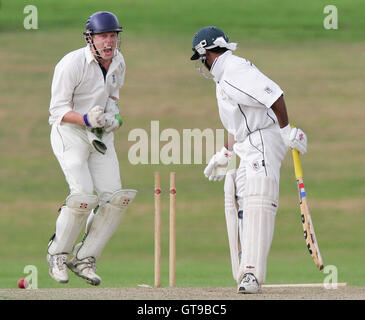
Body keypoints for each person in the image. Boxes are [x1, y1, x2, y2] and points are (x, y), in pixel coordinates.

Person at [190, 26, 307, 293]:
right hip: (247, 143)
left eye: (201, 59)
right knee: (234, 193)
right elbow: (238, 125)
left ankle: (253, 273)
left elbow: (274, 94)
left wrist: (286, 131)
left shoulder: (233, 70)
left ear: (206, 52)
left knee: (258, 200)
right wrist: (225, 153)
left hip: (264, 139)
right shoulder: (224, 77)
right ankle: (244, 269)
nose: (202, 66)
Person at [47, 11, 137, 286]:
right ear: (90, 38)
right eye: (103, 36)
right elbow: (57, 111)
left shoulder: (118, 62)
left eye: (113, 36)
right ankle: (58, 254)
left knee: (116, 198)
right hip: (70, 133)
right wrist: (85, 119)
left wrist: (114, 117)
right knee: (84, 196)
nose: (109, 42)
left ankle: (84, 259)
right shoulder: (71, 64)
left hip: (98, 135)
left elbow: (112, 97)